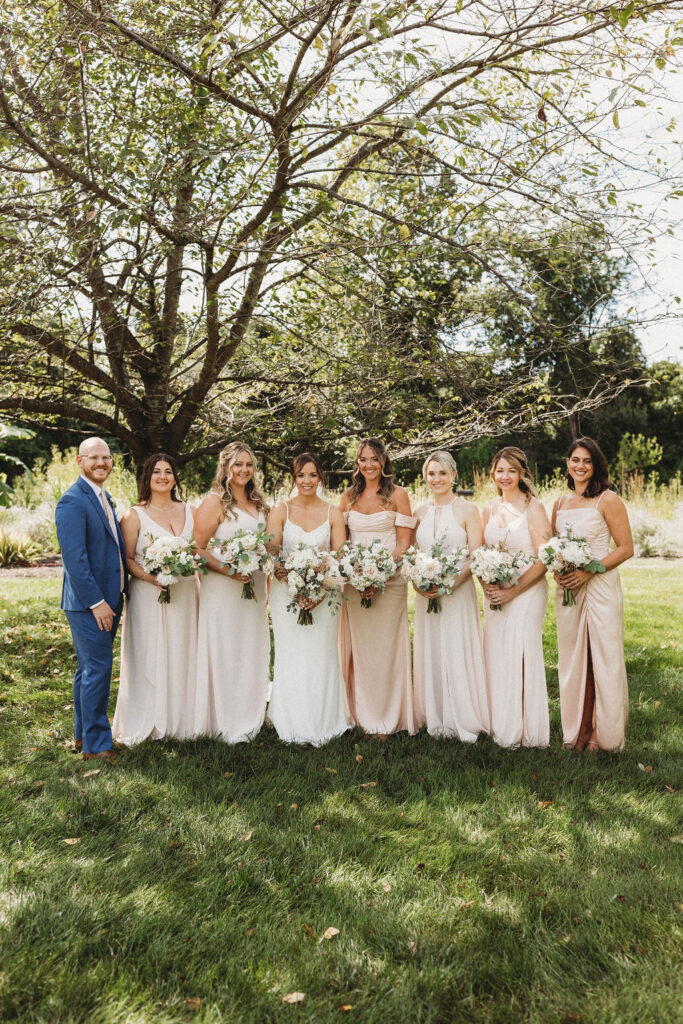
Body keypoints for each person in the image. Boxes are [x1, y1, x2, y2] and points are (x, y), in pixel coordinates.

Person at [551, 437, 633, 751]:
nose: (580, 466)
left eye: (587, 461)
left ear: (596, 464)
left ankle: (604, 735)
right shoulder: (559, 503)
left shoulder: (607, 500)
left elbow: (626, 548)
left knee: (604, 657)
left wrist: (588, 571)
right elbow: (554, 547)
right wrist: (559, 569)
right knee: (574, 660)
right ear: (567, 464)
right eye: (575, 460)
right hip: (569, 588)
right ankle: (578, 731)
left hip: (599, 586)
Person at [112, 454, 198, 745]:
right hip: (149, 595)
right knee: (149, 655)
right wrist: (152, 578)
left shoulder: (191, 510)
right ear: (147, 478)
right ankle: (146, 719)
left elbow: (198, 551)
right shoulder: (134, 515)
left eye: (168, 471)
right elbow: (126, 559)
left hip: (186, 594)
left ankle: (181, 720)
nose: (163, 476)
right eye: (156, 472)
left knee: (182, 652)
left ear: (175, 477)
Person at [338, 437, 422, 735]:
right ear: (357, 463)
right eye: (363, 459)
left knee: (387, 648)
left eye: (374, 458)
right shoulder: (347, 497)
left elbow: (403, 542)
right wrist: (359, 575)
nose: (369, 464)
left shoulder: (399, 495)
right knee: (360, 649)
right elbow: (341, 543)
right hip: (355, 583)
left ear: (384, 461)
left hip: (391, 580)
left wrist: (379, 574)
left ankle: (390, 716)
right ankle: (360, 713)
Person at [266, 453, 349, 745]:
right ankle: (290, 719)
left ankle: (325, 718)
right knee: (292, 653)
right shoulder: (280, 510)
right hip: (286, 591)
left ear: (321, 478)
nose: (307, 481)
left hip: (326, 592)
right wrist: (294, 580)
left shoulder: (333, 512)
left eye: (312, 475)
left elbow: (339, 554)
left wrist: (320, 588)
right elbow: (272, 549)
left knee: (321, 652)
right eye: (301, 475)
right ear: (294, 478)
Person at [55, 437, 127, 760]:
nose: (101, 463)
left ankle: (84, 736)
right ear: (79, 461)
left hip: (109, 599)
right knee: (98, 668)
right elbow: (75, 560)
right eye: (93, 457)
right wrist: (97, 602)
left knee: (88, 669)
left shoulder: (103, 497)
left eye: (106, 457)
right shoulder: (73, 500)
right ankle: (97, 747)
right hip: (89, 603)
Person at [193, 442, 270, 742]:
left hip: (254, 588)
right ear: (225, 467)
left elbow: (267, 546)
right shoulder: (214, 502)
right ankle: (223, 718)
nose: (244, 470)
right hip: (223, 589)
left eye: (248, 465)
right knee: (226, 650)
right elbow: (197, 549)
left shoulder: (259, 503)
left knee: (250, 648)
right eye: (238, 464)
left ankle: (250, 714)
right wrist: (229, 569)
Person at [412, 451, 489, 741]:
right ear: (425, 477)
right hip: (426, 594)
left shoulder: (469, 510)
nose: (437, 479)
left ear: (454, 475)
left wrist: (452, 582)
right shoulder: (418, 513)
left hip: (458, 590)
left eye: (442, 473)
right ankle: (436, 714)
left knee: (457, 646)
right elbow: (412, 555)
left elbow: (475, 555)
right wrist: (418, 582)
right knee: (432, 647)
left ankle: (463, 715)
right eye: (431, 474)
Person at [480, 447, 551, 748]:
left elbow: (544, 559)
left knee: (521, 651)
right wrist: (487, 582)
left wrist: (513, 590)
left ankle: (527, 729)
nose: (505, 476)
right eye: (500, 470)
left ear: (522, 473)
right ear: (493, 474)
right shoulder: (489, 508)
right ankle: (499, 721)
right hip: (496, 591)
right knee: (497, 652)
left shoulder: (533, 508)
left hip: (527, 590)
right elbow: (481, 553)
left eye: (511, 470)